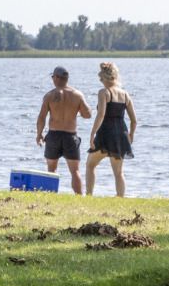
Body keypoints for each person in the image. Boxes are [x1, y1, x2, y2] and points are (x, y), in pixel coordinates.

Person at [35, 66, 93, 194]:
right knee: (75, 171)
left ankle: (51, 194)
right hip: (70, 136)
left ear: (57, 78)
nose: (52, 79)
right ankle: (79, 197)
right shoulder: (77, 95)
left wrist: (39, 134)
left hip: (54, 135)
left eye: (52, 77)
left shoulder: (49, 96)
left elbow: (41, 118)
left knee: (51, 169)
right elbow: (87, 115)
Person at [86, 61, 137, 197]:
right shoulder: (125, 94)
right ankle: (120, 197)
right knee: (119, 172)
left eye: (100, 78)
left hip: (106, 133)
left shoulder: (104, 92)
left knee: (90, 165)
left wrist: (92, 134)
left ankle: (89, 194)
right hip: (121, 134)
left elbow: (101, 114)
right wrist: (131, 135)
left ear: (104, 78)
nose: (100, 81)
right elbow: (134, 120)